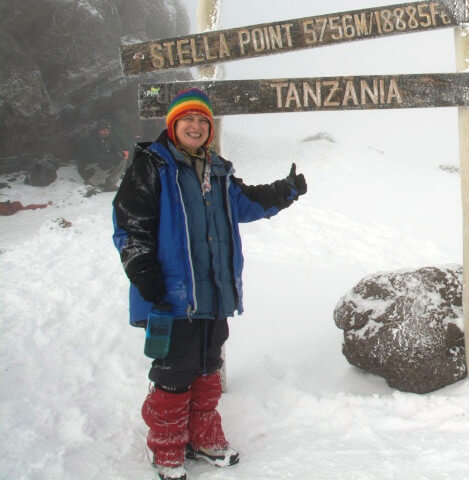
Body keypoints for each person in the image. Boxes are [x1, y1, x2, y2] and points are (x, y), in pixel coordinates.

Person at [112, 88, 307, 480]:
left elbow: (245, 203)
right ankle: (166, 448)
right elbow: (130, 223)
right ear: (173, 125)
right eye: (189, 120)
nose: (197, 126)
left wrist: (285, 191)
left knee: (207, 366)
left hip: (214, 292)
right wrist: (141, 267)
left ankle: (202, 436)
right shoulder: (152, 166)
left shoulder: (216, 170)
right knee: (173, 370)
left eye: (203, 121)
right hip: (172, 294)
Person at [78, 120, 131, 191]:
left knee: (124, 158)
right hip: (87, 167)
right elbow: (92, 157)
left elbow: (116, 147)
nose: (106, 132)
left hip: (98, 164)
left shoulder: (108, 139)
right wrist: (111, 158)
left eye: (108, 131)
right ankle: (91, 183)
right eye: (103, 130)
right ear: (98, 130)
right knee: (106, 164)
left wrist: (119, 152)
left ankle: (110, 184)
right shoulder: (91, 139)